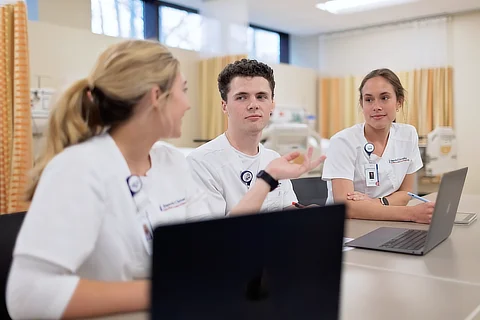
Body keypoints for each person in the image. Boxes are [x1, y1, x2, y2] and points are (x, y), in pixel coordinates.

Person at [6, 40, 324, 320]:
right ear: (156, 96)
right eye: (183, 91)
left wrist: (267, 183)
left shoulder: (169, 161)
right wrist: (164, 290)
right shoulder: (78, 169)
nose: (187, 104)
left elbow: (214, 241)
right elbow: (27, 295)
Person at [187, 59, 316, 216]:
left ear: (272, 104)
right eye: (242, 97)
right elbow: (213, 234)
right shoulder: (201, 163)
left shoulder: (273, 158)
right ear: (224, 106)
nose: (253, 105)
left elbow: (285, 208)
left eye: (261, 96)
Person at [321, 68, 435, 223]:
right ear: (362, 104)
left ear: (399, 102)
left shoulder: (408, 135)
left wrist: (377, 203)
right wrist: (411, 214)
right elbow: (346, 207)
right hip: (347, 228)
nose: (376, 106)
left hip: (389, 223)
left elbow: (406, 193)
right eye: (369, 100)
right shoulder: (343, 142)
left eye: (384, 98)